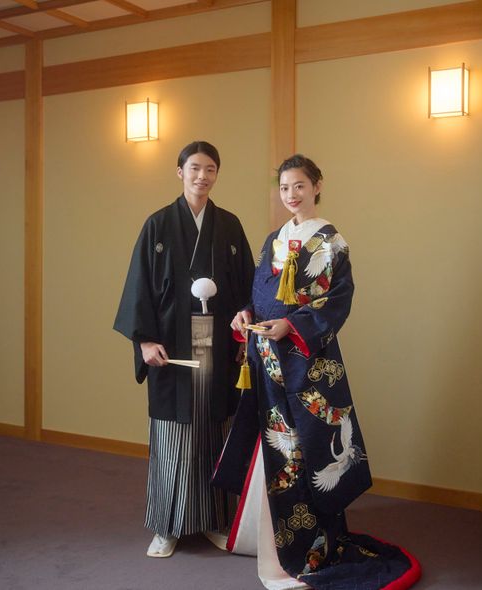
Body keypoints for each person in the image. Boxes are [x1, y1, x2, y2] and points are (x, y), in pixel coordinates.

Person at [213, 155, 421, 589]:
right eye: (284, 188)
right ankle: (270, 540)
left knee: (306, 448)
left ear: (317, 186)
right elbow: (260, 294)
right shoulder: (274, 239)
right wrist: (245, 313)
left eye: (300, 186)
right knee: (275, 447)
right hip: (268, 359)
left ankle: (308, 548)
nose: (291, 195)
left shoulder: (331, 241)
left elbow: (337, 301)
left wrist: (291, 326)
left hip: (307, 364)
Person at [114, 141, 255, 558]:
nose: (202, 176)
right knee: (173, 433)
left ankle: (214, 519)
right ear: (180, 172)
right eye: (194, 168)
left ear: (216, 174)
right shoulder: (158, 225)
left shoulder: (228, 225)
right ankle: (166, 526)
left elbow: (247, 286)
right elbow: (139, 285)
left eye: (210, 169)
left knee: (214, 429)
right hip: (171, 344)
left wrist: (245, 325)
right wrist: (144, 340)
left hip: (218, 342)